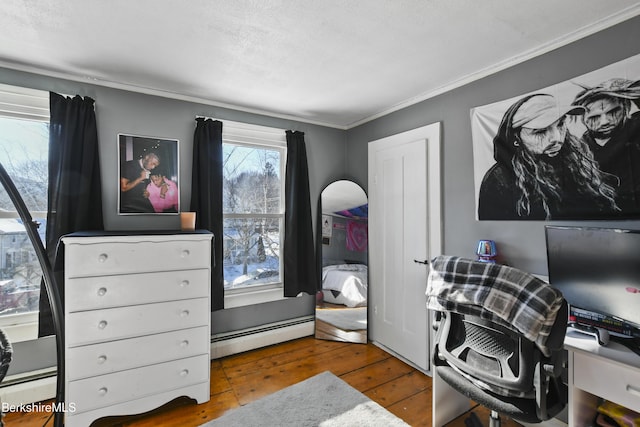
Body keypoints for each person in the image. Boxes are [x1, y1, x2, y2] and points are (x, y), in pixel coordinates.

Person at [478, 93, 619, 220]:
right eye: (540, 131)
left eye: (560, 124)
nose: (556, 138)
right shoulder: (499, 179)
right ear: (516, 139)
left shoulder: (576, 160)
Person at [572, 78, 640, 215]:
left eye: (613, 112)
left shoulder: (637, 128)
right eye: (594, 117)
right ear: (583, 119)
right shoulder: (576, 151)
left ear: (625, 107)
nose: (605, 122)